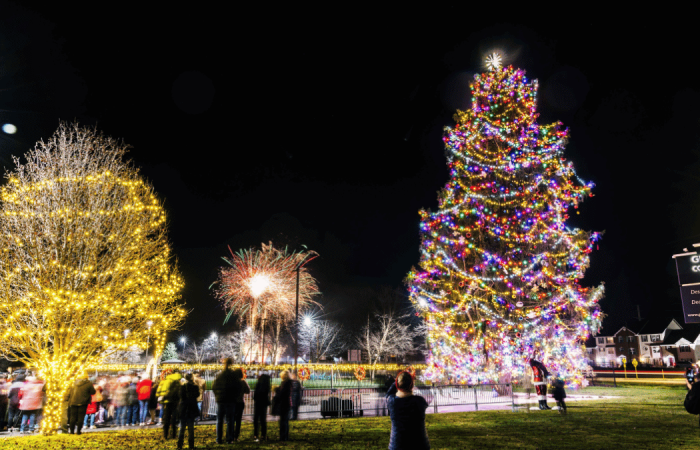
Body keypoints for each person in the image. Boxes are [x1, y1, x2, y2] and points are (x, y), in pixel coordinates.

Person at [386, 371, 430, 450]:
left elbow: (388, 394)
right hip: (420, 444)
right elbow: (429, 395)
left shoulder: (392, 402)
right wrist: (415, 380)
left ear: (397, 385)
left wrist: (396, 382)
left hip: (397, 445)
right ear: (412, 385)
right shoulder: (419, 401)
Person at [212, 358, 240, 444]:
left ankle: (218, 439)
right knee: (230, 420)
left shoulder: (219, 375)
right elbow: (238, 387)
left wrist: (217, 395)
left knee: (219, 420)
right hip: (230, 400)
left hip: (221, 400)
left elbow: (214, 387)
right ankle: (229, 439)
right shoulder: (233, 375)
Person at [177, 373, 200, 450]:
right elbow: (197, 395)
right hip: (192, 408)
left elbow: (180, 396)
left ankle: (179, 445)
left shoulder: (182, 387)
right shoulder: (195, 387)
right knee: (191, 428)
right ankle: (191, 445)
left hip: (183, 408)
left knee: (182, 427)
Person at [158, 370, 183, 439]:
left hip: (166, 402)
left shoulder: (165, 381)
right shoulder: (178, 382)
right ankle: (174, 434)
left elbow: (160, 392)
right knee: (174, 419)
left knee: (166, 418)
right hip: (175, 402)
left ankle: (165, 434)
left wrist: (162, 398)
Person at [231, 368, 250, 441]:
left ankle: (231, 435)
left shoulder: (232, 382)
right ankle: (236, 436)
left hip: (233, 402)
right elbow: (248, 391)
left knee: (232, 419)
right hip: (240, 402)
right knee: (238, 420)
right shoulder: (243, 382)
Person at [253, 373, 271, 442]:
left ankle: (256, 435)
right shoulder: (267, 386)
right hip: (263, 404)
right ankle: (263, 435)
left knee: (256, 420)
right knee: (263, 420)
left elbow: (255, 395)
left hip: (258, 403)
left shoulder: (258, 384)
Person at [275, 370, 292, 442]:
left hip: (284, 403)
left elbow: (283, 393)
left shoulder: (285, 383)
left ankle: (283, 436)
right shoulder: (290, 383)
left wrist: (277, 389)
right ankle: (285, 436)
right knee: (285, 420)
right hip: (287, 403)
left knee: (283, 420)